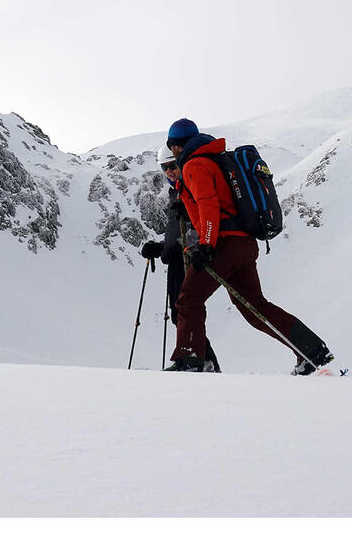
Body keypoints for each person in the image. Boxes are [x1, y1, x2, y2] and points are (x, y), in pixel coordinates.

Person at [162, 118, 333, 375]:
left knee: (188, 299)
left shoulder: (195, 165)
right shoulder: (213, 158)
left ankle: (192, 360)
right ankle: (311, 349)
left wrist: (206, 244)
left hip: (224, 244)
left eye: (172, 147)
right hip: (243, 243)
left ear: (176, 146)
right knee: (255, 307)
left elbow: (209, 206)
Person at [141, 144, 221, 372]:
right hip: (180, 257)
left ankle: (196, 361)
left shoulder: (190, 187)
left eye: (172, 166)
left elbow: (198, 224)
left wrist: (175, 248)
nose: (169, 172)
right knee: (180, 313)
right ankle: (204, 362)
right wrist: (160, 248)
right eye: (164, 168)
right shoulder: (175, 191)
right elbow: (179, 232)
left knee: (184, 311)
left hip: (191, 257)